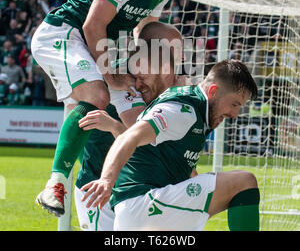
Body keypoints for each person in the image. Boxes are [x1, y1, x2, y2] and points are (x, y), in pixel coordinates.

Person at [31, 0, 200, 217]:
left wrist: (151, 71)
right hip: (64, 33)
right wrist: (111, 72)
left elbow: (144, 31)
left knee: (134, 119)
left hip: (102, 49)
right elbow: (92, 25)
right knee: (98, 96)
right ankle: (56, 184)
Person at [81, 59, 260, 231]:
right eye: (234, 104)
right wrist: (106, 180)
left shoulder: (195, 111)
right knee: (244, 181)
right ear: (213, 91)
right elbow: (128, 137)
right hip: (144, 204)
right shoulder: (183, 111)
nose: (235, 114)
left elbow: (182, 169)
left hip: (143, 210)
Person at [74, 21, 184, 231]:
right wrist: (115, 127)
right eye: (174, 50)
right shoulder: (123, 78)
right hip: (100, 188)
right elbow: (145, 142)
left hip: (138, 190)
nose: (180, 57)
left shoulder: (162, 82)